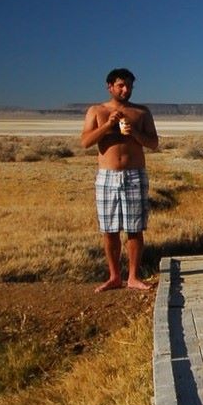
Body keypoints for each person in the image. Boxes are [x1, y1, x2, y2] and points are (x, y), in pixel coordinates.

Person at [80, 67, 159, 292]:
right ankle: (114, 276)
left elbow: (153, 143)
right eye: (121, 86)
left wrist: (134, 133)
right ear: (110, 87)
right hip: (107, 176)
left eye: (130, 86)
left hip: (134, 174)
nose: (126, 90)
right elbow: (85, 142)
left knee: (135, 228)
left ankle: (133, 277)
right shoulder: (97, 111)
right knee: (110, 229)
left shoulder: (141, 113)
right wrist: (107, 125)